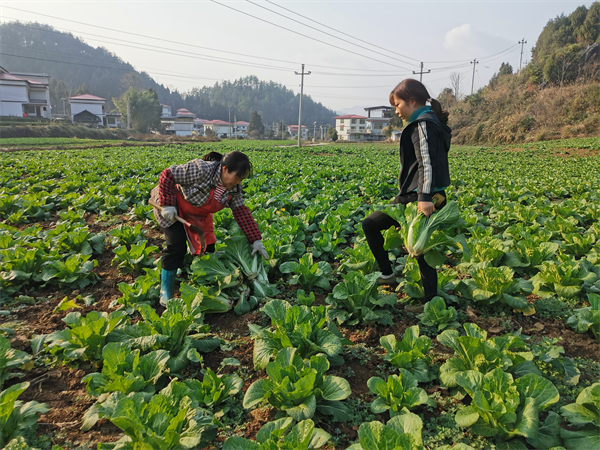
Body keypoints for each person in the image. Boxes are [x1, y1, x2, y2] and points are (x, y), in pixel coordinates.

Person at [362, 78, 452, 307]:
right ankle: (394, 278)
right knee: (420, 246)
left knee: (416, 245)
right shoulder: (430, 121)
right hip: (424, 194)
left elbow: (427, 162)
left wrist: (423, 198)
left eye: (398, 104)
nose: (396, 110)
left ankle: (428, 300)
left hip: (420, 196)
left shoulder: (423, 124)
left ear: (412, 101)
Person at [150, 150, 268, 306]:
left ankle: (201, 283)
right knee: (176, 245)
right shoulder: (201, 170)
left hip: (198, 214)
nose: (238, 182)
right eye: (237, 177)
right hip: (173, 207)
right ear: (225, 169)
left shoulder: (234, 189)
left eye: (241, 179)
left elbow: (241, 212)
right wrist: (167, 204)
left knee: (209, 248)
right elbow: (168, 174)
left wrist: (256, 240)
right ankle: (166, 291)